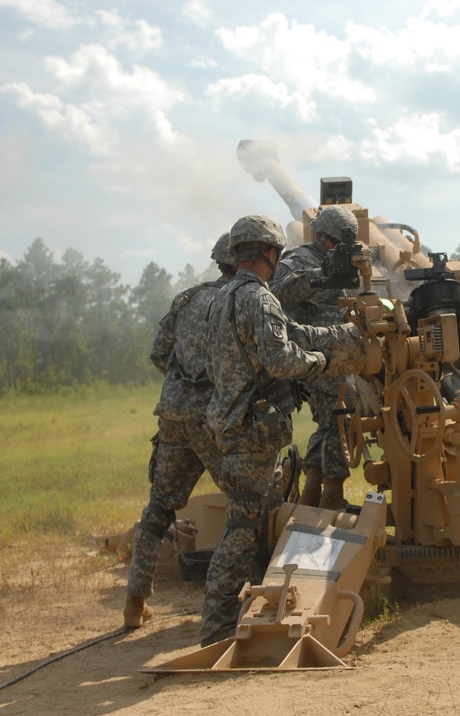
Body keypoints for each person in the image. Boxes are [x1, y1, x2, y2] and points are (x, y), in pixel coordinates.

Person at [199, 214, 356, 647]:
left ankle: (240, 614)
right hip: (252, 429)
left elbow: (286, 334)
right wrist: (323, 362)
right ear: (270, 252)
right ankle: (214, 630)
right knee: (242, 528)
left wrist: (340, 334)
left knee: (253, 520)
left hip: (229, 421)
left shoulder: (221, 299)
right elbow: (281, 359)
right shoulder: (260, 299)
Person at [123, 233, 237, 629]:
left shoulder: (187, 299)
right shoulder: (242, 301)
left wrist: (182, 385)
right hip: (214, 420)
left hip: (173, 416)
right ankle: (236, 600)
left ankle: (135, 604)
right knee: (250, 504)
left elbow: (159, 353)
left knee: (158, 510)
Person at [269, 205, 358, 510]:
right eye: (335, 242)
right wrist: (318, 275)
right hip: (312, 354)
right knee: (346, 410)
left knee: (331, 421)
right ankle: (331, 496)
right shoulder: (299, 260)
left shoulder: (348, 263)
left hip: (342, 353)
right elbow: (275, 293)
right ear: (320, 236)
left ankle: (313, 492)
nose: (338, 249)